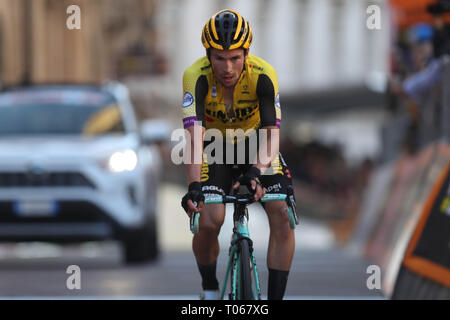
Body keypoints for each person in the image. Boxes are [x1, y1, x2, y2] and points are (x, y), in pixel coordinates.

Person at [180, 9, 296, 300]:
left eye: (235, 57)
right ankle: (209, 286)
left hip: (256, 145)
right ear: (208, 55)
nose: (227, 68)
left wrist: (255, 172)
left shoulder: (264, 75)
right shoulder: (195, 77)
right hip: (214, 147)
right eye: (219, 58)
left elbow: (272, 134)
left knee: (281, 213)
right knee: (209, 220)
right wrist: (194, 186)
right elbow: (194, 137)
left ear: (247, 54)